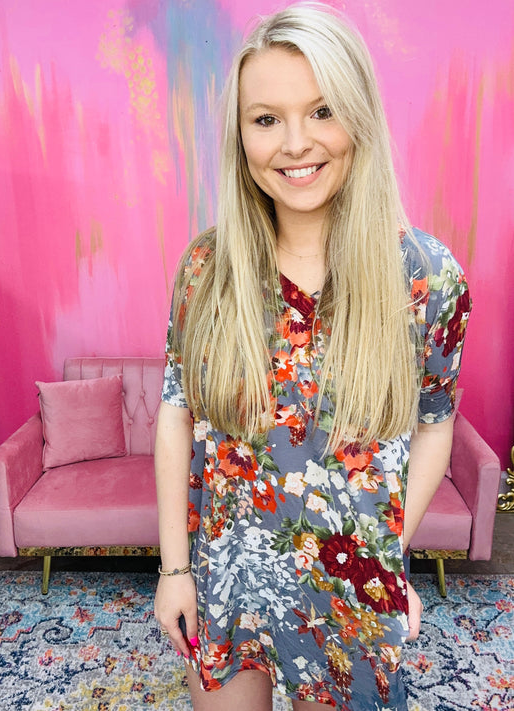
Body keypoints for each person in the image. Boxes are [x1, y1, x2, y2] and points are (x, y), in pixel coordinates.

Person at [154, 3, 471, 709]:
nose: (295, 143)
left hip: (348, 587)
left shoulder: (426, 278)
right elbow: (176, 413)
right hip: (227, 578)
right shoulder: (206, 269)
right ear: (241, 136)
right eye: (266, 118)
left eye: (322, 111)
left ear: (359, 115)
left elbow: (434, 422)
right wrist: (175, 569)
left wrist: (385, 555)